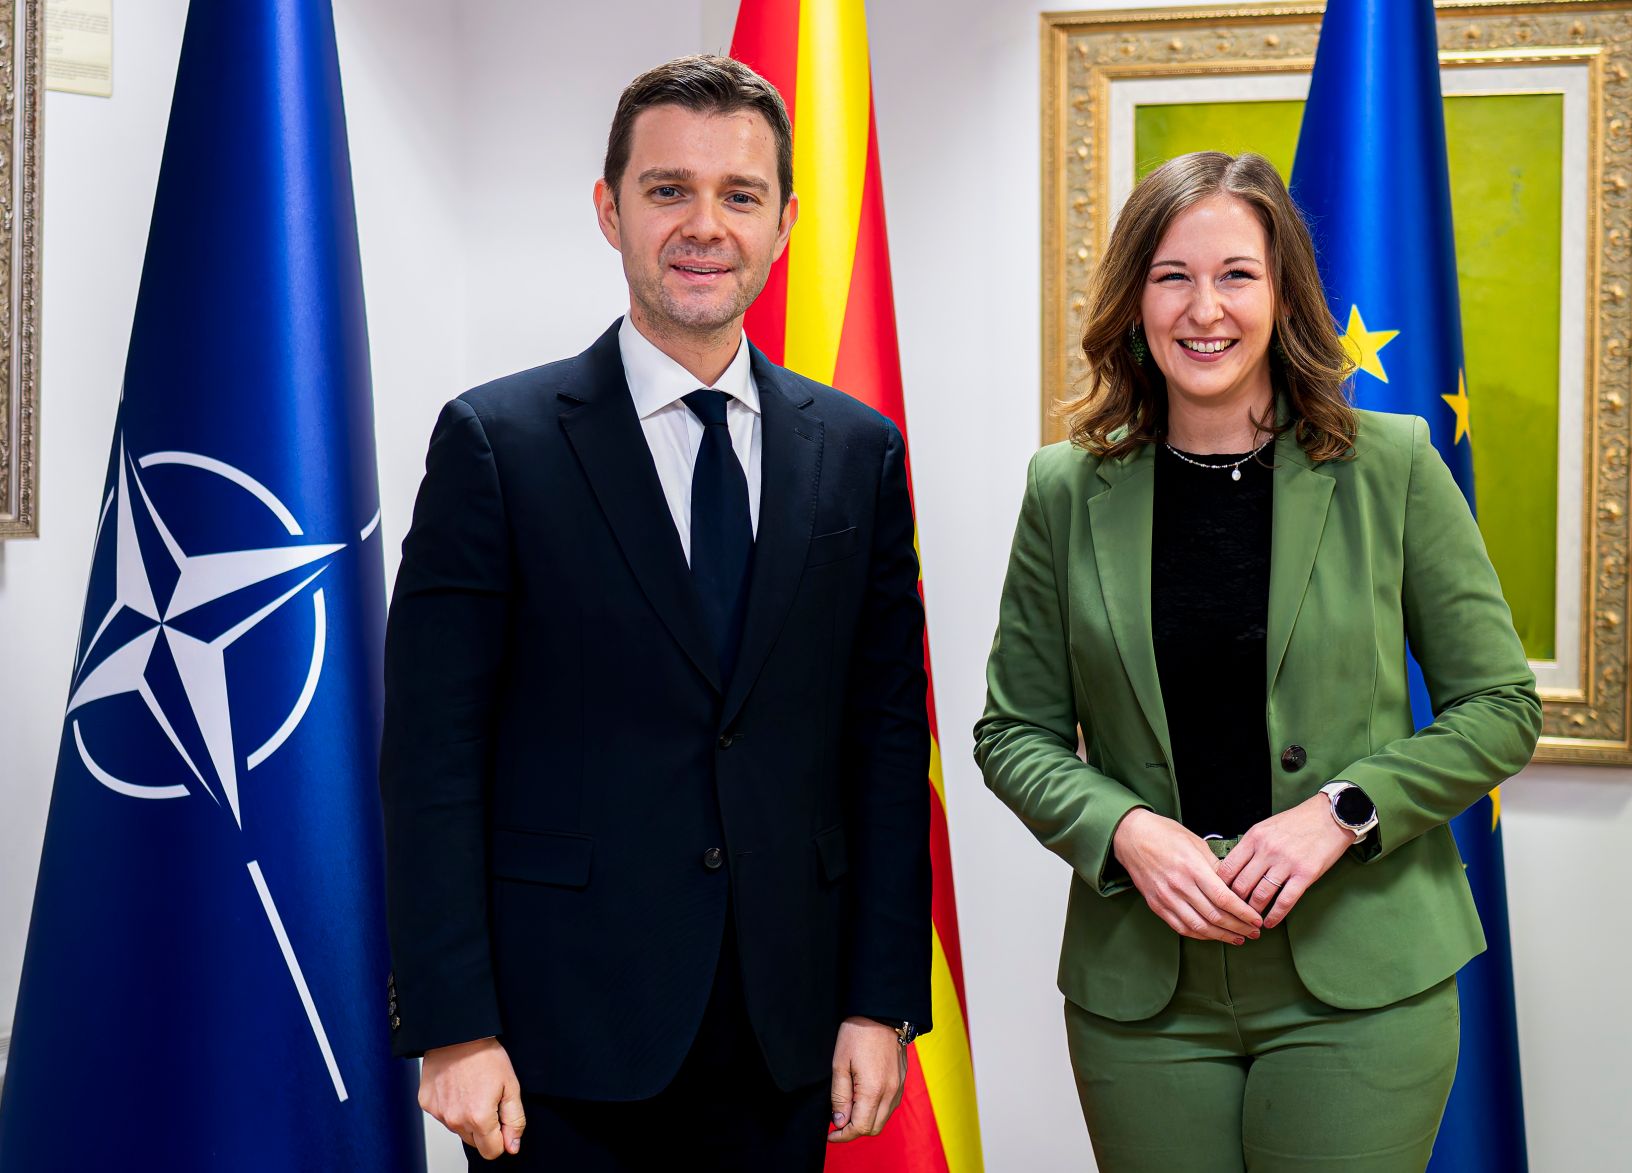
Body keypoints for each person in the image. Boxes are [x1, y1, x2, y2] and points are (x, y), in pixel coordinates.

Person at [379, 55, 931, 1172]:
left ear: (782, 223)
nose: (703, 226)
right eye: (667, 189)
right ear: (609, 208)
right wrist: (452, 1021)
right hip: (554, 1038)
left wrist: (881, 999)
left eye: (739, 195)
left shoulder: (857, 452)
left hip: (784, 1028)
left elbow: (881, 742)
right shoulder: (499, 443)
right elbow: (431, 754)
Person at [973, 151, 1541, 1172]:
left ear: (1282, 295)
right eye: (1170, 275)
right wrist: (1125, 830)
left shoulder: (1390, 465)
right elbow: (1013, 733)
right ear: (1132, 299)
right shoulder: (1064, 489)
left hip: (1360, 985)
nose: (1205, 308)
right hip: (1143, 998)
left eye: (1236, 273)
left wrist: (1343, 811)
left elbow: (1496, 705)